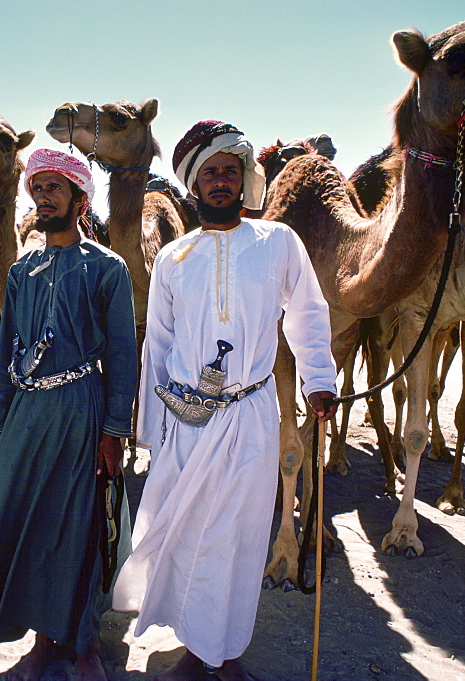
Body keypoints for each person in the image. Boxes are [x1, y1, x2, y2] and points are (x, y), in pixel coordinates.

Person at [112, 120, 339, 681]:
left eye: (229, 171)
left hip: (252, 414)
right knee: (187, 533)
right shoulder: (173, 257)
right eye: (209, 172)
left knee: (238, 538)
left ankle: (227, 654)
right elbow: (157, 347)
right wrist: (151, 429)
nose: (220, 181)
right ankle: (194, 650)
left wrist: (318, 379)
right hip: (188, 420)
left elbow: (308, 314)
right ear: (192, 183)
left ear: (245, 179)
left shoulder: (278, 242)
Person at [0, 148, 137, 681]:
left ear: (78, 197)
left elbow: (120, 354)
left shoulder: (106, 267)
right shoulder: (22, 270)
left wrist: (114, 429)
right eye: (37, 188)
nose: (43, 197)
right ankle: (42, 642)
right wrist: (0, 420)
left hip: (81, 409)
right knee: (23, 520)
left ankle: (84, 644)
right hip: (27, 412)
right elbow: (6, 352)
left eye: (54, 188)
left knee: (79, 527)